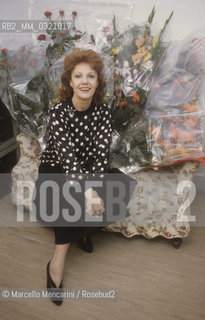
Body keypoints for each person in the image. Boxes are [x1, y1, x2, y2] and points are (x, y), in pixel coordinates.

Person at [34, 48, 135, 305]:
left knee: (121, 185)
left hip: (87, 168)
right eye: (78, 76)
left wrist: (94, 188)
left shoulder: (102, 113)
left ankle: (83, 230)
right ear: (70, 82)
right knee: (70, 194)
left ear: (98, 81)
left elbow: (101, 157)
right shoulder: (58, 113)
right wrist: (88, 192)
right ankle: (56, 264)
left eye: (90, 76)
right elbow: (67, 160)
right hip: (57, 169)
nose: (84, 81)